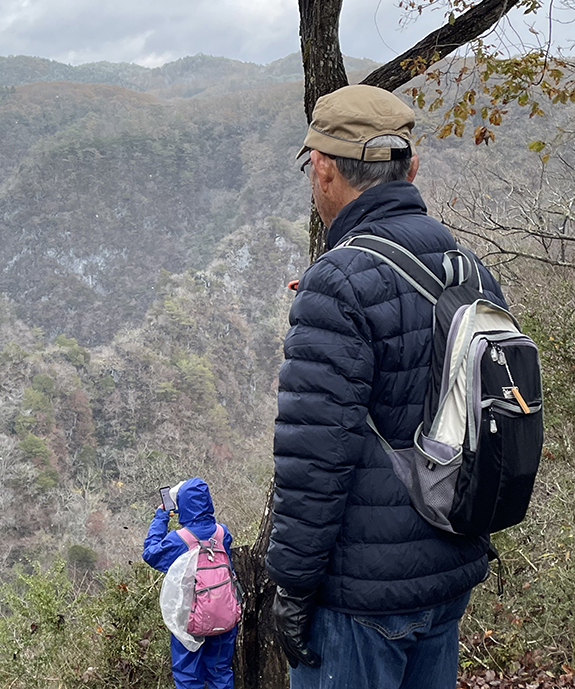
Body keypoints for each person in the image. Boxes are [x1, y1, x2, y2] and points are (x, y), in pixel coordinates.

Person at [265, 84, 507, 689]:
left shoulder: (340, 278)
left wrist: (292, 586)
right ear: (411, 168)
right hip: (446, 572)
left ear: (322, 167)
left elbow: (315, 456)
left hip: (361, 598)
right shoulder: (464, 264)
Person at [143, 477, 237, 689]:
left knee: (188, 676)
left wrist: (161, 518)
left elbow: (151, 554)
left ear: (182, 505)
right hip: (224, 614)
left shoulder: (179, 539)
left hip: (190, 618)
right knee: (220, 672)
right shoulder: (222, 533)